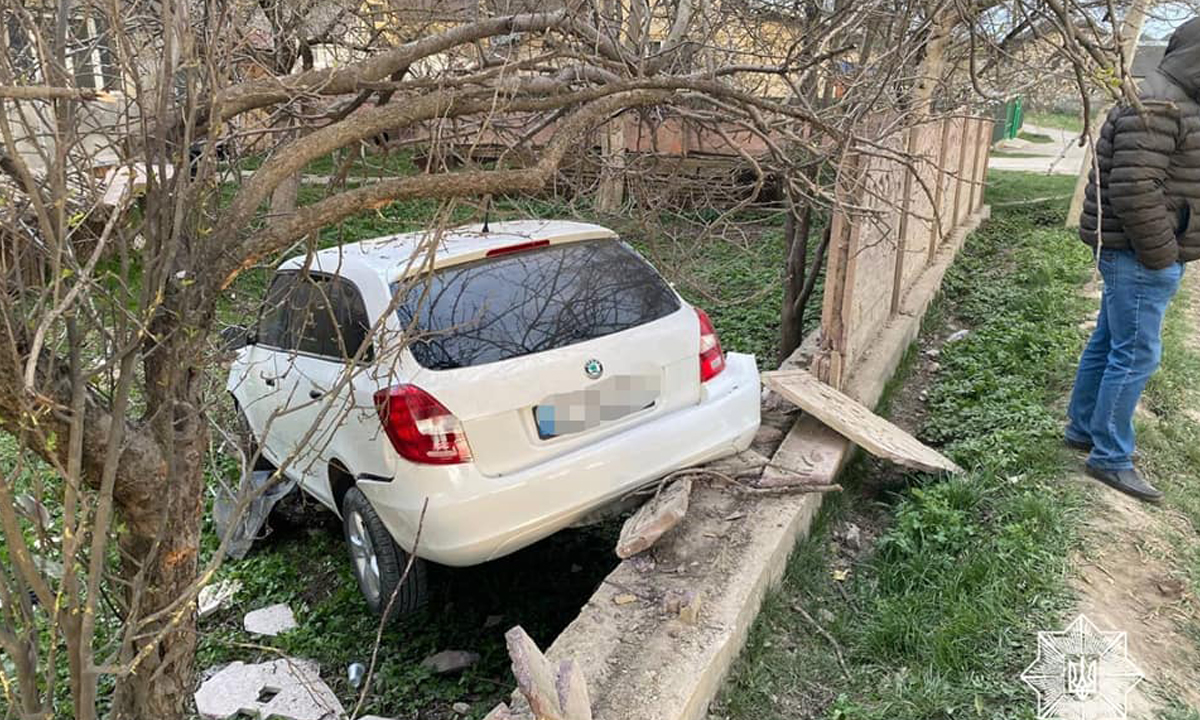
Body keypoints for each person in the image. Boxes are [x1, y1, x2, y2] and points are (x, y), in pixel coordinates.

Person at [1068, 17, 1200, 502]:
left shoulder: (1165, 94)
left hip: (1133, 252)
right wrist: (1163, 255)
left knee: (1109, 342)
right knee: (1136, 353)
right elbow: (1134, 189)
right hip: (1142, 255)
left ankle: (1083, 427)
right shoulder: (1162, 104)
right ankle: (1111, 456)